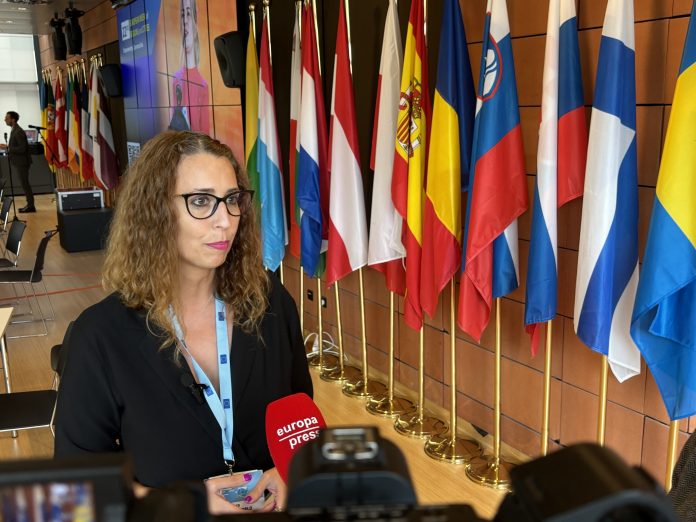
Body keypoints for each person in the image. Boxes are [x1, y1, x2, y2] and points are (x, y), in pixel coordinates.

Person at [54, 131, 312, 514]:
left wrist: (290, 470)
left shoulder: (270, 303)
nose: (225, 221)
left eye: (232, 200)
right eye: (201, 201)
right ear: (155, 211)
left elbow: (301, 415)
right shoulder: (100, 337)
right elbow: (77, 487)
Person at [169, 0, 210, 134]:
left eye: (188, 14)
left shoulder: (203, 85)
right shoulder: (176, 79)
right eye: (182, 15)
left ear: (195, 23)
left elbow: (205, 135)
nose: (185, 21)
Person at [1, 111, 35, 212]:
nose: (5, 120)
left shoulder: (18, 131)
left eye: (7, 118)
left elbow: (22, 148)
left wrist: (9, 148)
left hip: (22, 162)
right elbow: (17, 146)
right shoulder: (14, 129)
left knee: (25, 184)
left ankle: (31, 206)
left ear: (13, 119)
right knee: (24, 183)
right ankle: (30, 204)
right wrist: (7, 146)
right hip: (19, 161)